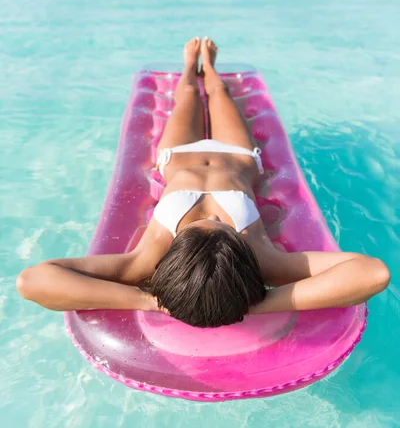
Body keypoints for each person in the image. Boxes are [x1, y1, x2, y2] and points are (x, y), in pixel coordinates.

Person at [17, 37, 390, 328]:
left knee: (189, 93)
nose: (211, 219)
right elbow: (373, 272)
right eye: (221, 228)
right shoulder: (266, 261)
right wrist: (262, 302)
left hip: (176, 154)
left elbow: (33, 281)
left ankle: (191, 67)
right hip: (238, 153)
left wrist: (150, 300)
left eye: (199, 229)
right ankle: (207, 67)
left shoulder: (146, 261)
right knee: (218, 92)